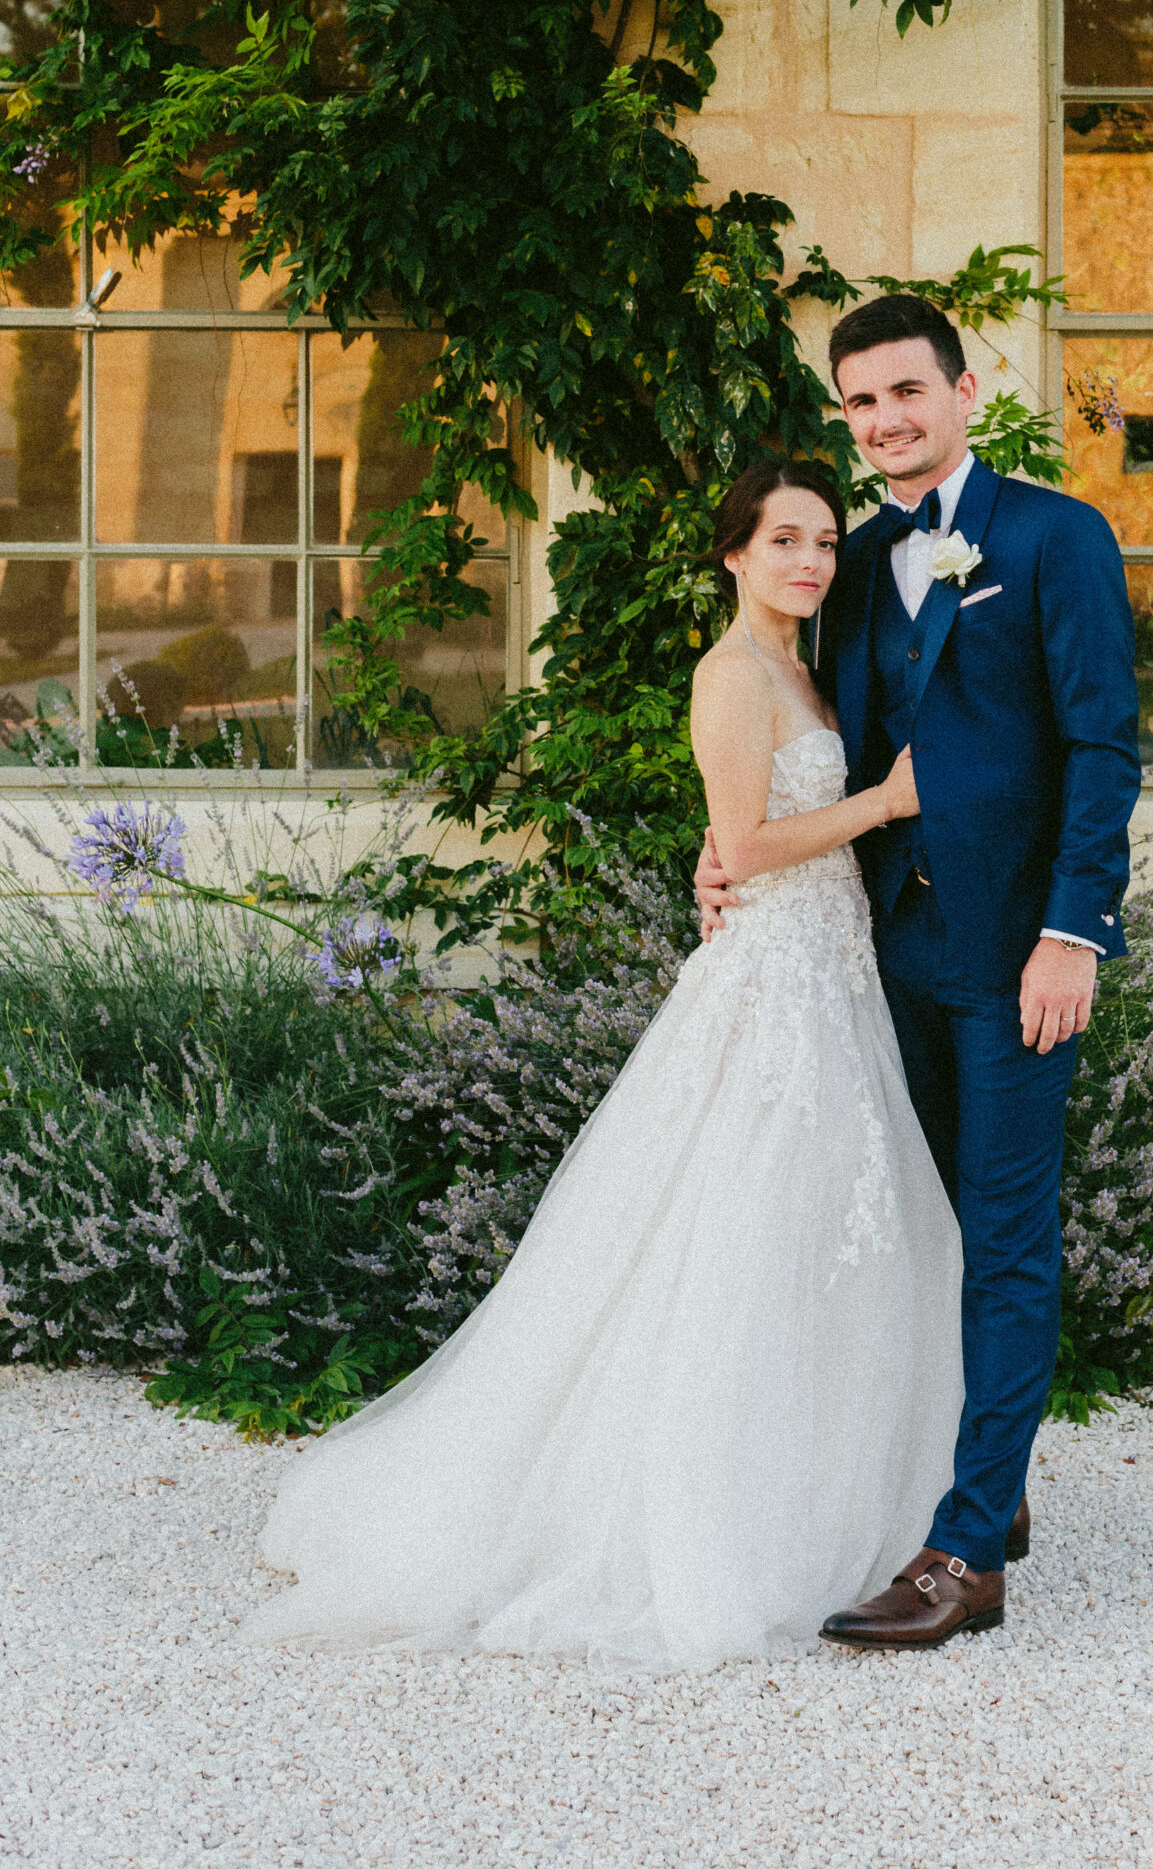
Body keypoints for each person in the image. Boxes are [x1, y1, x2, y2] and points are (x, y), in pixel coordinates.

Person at [246, 459, 962, 1670]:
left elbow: (729, 834)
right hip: (774, 988)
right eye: (784, 538)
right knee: (735, 1234)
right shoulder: (731, 671)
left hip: (829, 976)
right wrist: (885, 803)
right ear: (733, 552)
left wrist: (775, 837)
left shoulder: (810, 668)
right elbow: (747, 839)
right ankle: (704, 1510)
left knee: (835, 1237)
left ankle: (838, 1496)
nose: (809, 559)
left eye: (825, 541)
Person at [697, 295, 1142, 1647]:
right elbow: (814, 750)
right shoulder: (854, 560)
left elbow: (1101, 748)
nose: (883, 421)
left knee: (1003, 1241)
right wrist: (728, 860)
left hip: (1015, 959)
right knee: (918, 1233)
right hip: (880, 957)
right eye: (859, 403)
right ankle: (979, 1485)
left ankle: (966, 1558)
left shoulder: (1054, 537)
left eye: (904, 392)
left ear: (959, 389)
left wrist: (1073, 933)